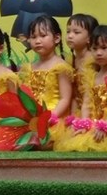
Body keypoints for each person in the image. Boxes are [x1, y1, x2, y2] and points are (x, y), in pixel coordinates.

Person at [17, 14, 73, 146]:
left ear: (57, 38)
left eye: (43, 36)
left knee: (43, 140)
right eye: (33, 37)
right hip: (33, 118)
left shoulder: (61, 67)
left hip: (53, 117)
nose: (37, 41)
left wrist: (51, 117)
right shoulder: (29, 68)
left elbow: (65, 99)